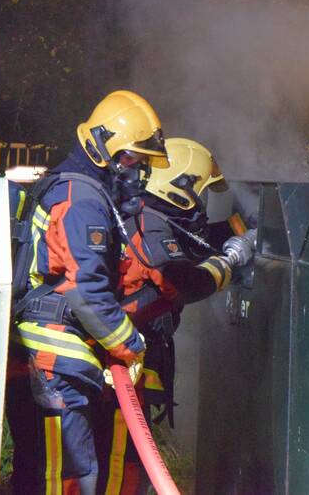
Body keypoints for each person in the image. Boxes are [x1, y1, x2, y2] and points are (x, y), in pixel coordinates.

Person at [5, 90, 168, 495]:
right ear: (100, 147)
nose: (135, 170)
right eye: (130, 158)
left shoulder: (79, 190)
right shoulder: (81, 200)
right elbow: (87, 289)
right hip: (54, 358)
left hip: (49, 359)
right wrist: (131, 345)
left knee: (42, 472)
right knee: (68, 477)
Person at [93, 137, 255, 494]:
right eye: (202, 193)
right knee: (120, 464)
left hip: (123, 364)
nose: (203, 205)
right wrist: (229, 260)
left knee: (121, 461)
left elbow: (191, 244)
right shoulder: (151, 226)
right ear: (182, 190)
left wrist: (239, 230)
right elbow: (183, 283)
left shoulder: (148, 216)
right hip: (119, 370)